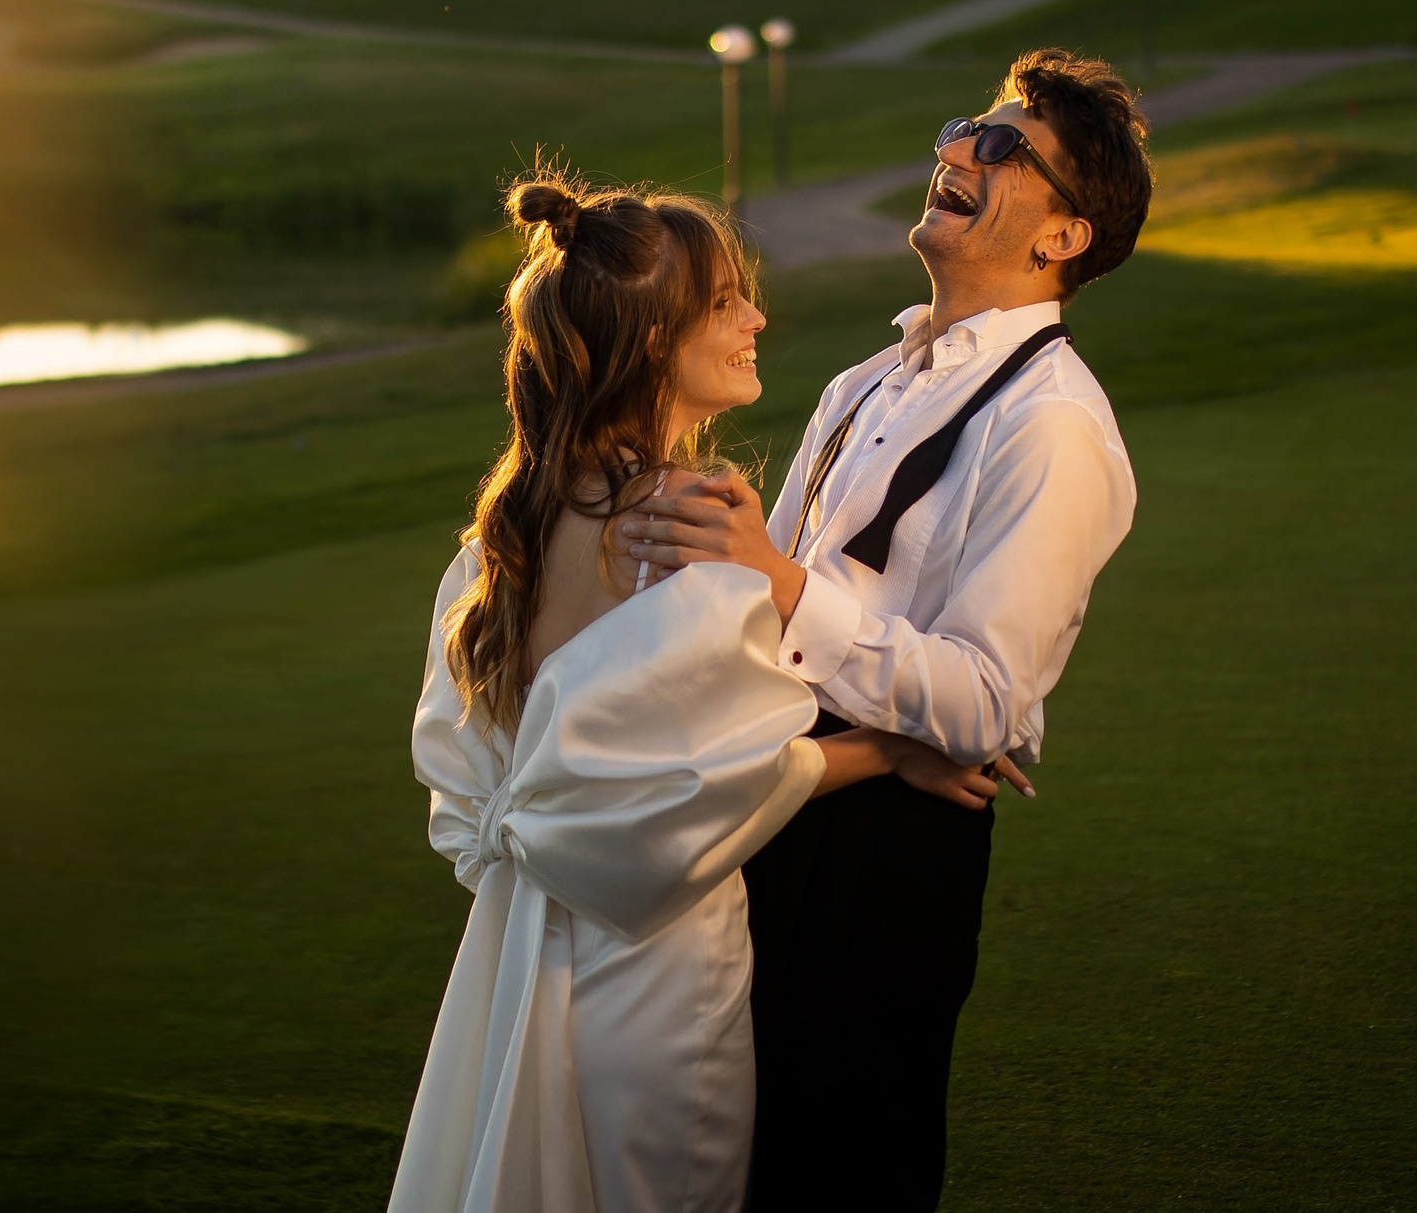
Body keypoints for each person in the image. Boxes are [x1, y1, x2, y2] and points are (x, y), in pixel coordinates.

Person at [390, 175, 990, 1213]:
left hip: (519, 955)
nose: (756, 318)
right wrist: (894, 750)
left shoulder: (513, 526)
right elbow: (731, 776)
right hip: (654, 965)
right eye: (724, 303)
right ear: (648, 340)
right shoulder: (693, 518)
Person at [623, 48, 1154, 1210]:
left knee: (846, 1164)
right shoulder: (863, 381)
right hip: (780, 796)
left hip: (882, 858)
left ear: (1064, 237)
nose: (956, 147)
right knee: (738, 1162)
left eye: (1005, 146)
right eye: (968, 124)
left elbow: (989, 709)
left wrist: (781, 588)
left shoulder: (1053, 425)